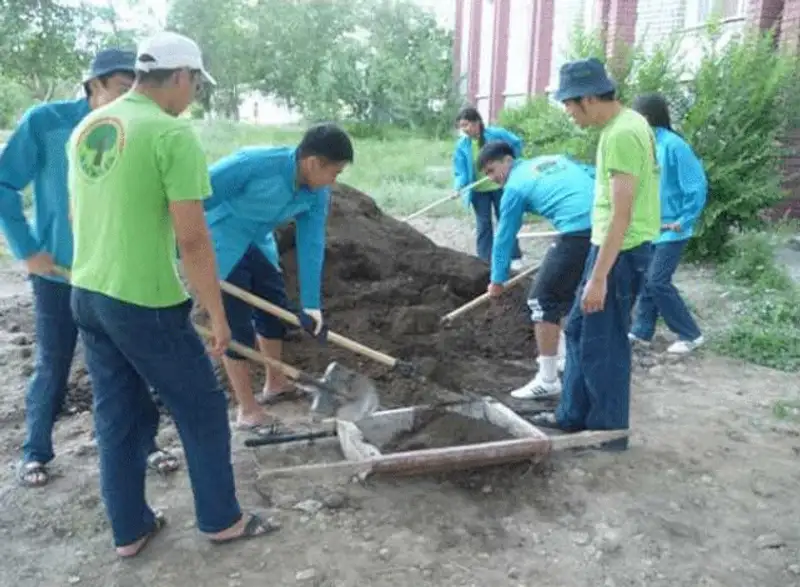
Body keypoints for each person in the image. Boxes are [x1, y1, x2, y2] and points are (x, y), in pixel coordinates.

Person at [67, 31, 275, 558]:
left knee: (119, 413)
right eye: (197, 85)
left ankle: (129, 530)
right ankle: (221, 519)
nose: (195, 96)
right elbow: (192, 237)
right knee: (202, 407)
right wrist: (215, 313)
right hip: (143, 299)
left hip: (88, 291)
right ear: (181, 77)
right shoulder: (170, 133)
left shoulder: (91, 125)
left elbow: (79, 214)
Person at [0, 47, 179, 488]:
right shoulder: (47, 124)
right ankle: (35, 452)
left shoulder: (139, 127)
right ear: (93, 86)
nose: (130, 99)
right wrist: (28, 249)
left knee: (130, 361)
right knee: (54, 360)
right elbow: (4, 183)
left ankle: (147, 445)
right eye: (121, 89)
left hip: (116, 272)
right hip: (59, 272)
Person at [528, 58, 660, 451]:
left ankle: (607, 432)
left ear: (587, 98)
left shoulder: (621, 134)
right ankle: (571, 417)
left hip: (620, 251)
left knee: (604, 343)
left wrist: (599, 276)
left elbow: (622, 212)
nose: (568, 112)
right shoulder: (627, 125)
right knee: (581, 330)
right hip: (611, 247)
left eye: (569, 104)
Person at [205, 124, 354, 430]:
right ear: (313, 163)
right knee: (236, 324)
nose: (334, 181)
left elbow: (312, 243)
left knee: (274, 308)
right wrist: (179, 246)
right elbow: (195, 195)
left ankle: (276, 382)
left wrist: (312, 304)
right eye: (334, 172)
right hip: (220, 237)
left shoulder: (316, 193)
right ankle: (247, 408)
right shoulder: (253, 164)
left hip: (258, 240)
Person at [479, 141, 595, 400]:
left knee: (540, 299)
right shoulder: (552, 159)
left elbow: (504, 237)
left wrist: (497, 280)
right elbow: (591, 173)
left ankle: (548, 379)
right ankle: (564, 358)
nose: (492, 178)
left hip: (578, 231)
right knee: (564, 295)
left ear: (507, 160)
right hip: (603, 225)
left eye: (491, 170)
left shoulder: (515, 187)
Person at [628, 93, 707, 354]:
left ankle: (690, 333)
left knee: (657, 281)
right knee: (646, 280)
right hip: (651, 227)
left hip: (673, 229)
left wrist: (684, 219)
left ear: (647, 118)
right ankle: (641, 332)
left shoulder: (674, 145)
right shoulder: (645, 144)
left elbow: (696, 185)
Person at [453, 106, 524, 270]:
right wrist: (459, 186)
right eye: (461, 126)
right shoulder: (462, 145)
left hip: (500, 186)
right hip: (478, 192)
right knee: (483, 225)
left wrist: (511, 163)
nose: (464, 130)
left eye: (466, 125)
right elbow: (460, 170)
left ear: (477, 122)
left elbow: (516, 143)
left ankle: (514, 256)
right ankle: (484, 260)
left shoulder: (496, 134)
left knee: (506, 220)